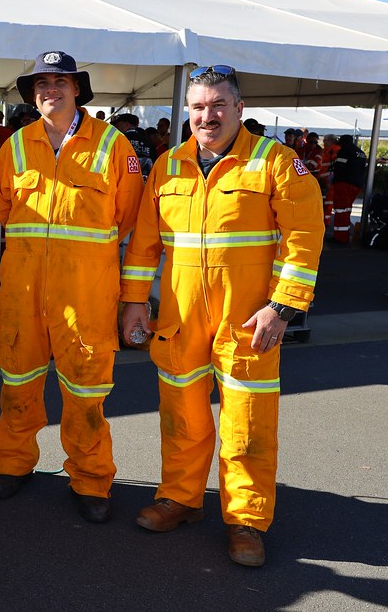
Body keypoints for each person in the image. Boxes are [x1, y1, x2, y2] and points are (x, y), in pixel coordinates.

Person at [120, 64, 323, 567]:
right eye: (197, 107)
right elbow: (145, 244)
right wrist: (132, 302)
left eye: (217, 105)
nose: (206, 116)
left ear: (239, 109)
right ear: (186, 111)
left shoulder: (276, 162)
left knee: (247, 422)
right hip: (180, 317)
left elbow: (304, 239)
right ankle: (180, 499)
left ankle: (247, 521)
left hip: (248, 320)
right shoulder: (167, 166)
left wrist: (281, 308)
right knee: (180, 414)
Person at [0, 51, 143, 522]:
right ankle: (13, 464)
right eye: (40, 84)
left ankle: (92, 479)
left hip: (86, 294)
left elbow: (129, 219)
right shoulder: (15, 147)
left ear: (78, 89)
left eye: (60, 81)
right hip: (22, 290)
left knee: (85, 390)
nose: (49, 90)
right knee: (17, 381)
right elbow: (2, 208)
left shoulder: (115, 147)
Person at [331, 134, 368, 243]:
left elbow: (338, 168)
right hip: (357, 184)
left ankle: (340, 237)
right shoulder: (361, 153)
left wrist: (334, 180)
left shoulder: (344, 151)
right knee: (347, 209)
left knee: (341, 210)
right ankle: (344, 235)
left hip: (344, 183)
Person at [113, 112, 155, 179]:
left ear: (126, 124)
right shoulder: (147, 141)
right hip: (145, 181)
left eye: (118, 124)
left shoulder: (119, 140)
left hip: (124, 180)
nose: (116, 127)